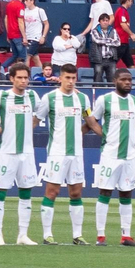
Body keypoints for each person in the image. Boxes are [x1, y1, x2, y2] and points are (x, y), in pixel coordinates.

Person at [0, 63, 43, 246]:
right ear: (11, 78)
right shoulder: (2, 96)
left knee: (26, 192)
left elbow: (40, 114)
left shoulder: (33, 96)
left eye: (26, 78)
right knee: (0, 192)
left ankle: (23, 235)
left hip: (27, 153)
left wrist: (29, 126)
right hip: (7, 152)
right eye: (19, 77)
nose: (24, 81)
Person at [39, 64, 92, 245]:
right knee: (52, 191)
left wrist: (83, 133)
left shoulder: (83, 99)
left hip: (76, 153)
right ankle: (47, 234)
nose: (70, 81)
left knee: (76, 193)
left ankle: (77, 235)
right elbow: (36, 119)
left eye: (73, 78)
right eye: (67, 78)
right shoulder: (50, 98)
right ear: (59, 78)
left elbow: (89, 120)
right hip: (57, 153)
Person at [91, 66, 135, 245]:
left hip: (130, 155)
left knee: (126, 193)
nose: (127, 83)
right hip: (110, 155)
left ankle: (126, 235)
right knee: (105, 191)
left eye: (129, 80)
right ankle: (100, 235)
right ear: (115, 81)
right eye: (123, 80)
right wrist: (103, 135)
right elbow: (91, 119)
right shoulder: (104, 100)